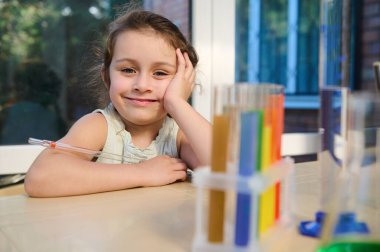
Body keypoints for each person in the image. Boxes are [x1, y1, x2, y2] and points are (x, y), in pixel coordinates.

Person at [24, 9, 211, 197]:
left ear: (183, 81)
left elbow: (227, 170)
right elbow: (40, 178)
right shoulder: (99, 126)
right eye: (128, 70)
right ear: (107, 77)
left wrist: (177, 103)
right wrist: (142, 173)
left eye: (160, 73)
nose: (142, 85)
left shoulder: (177, 136)